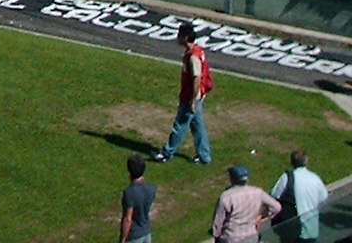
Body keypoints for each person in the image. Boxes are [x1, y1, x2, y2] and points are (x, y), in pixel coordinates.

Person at [155, 19, 213, 165]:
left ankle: (167, 153)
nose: (177, 38)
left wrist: (192, 100)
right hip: (196, 95)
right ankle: (204, 156)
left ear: (185, 38)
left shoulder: (193, 56)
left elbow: (196, 78)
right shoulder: (196, 51)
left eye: (180, 35)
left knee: (180, 125)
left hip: (191, 97)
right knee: (198, 126)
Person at [208, 165, 279, 242]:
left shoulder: (226, 197)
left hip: (232, 238)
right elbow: (276, 207)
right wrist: (261, 216)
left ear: (232, 179)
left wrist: (216, 235)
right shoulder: (258, 192)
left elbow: (218, 221)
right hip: (251, 236)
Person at [269, 149, 327, 242]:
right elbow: (323, 197)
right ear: (307, 162)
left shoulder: (287, 177)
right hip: (311, 229)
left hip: (291, 228)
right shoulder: (315, 178)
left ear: (291, 162)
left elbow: (274, 194)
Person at [119, 154, 158, 243]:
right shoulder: (152, 188)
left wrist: (123, 239)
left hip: (134, 235)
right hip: (146, 232)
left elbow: (128, 219)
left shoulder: (129, 192)